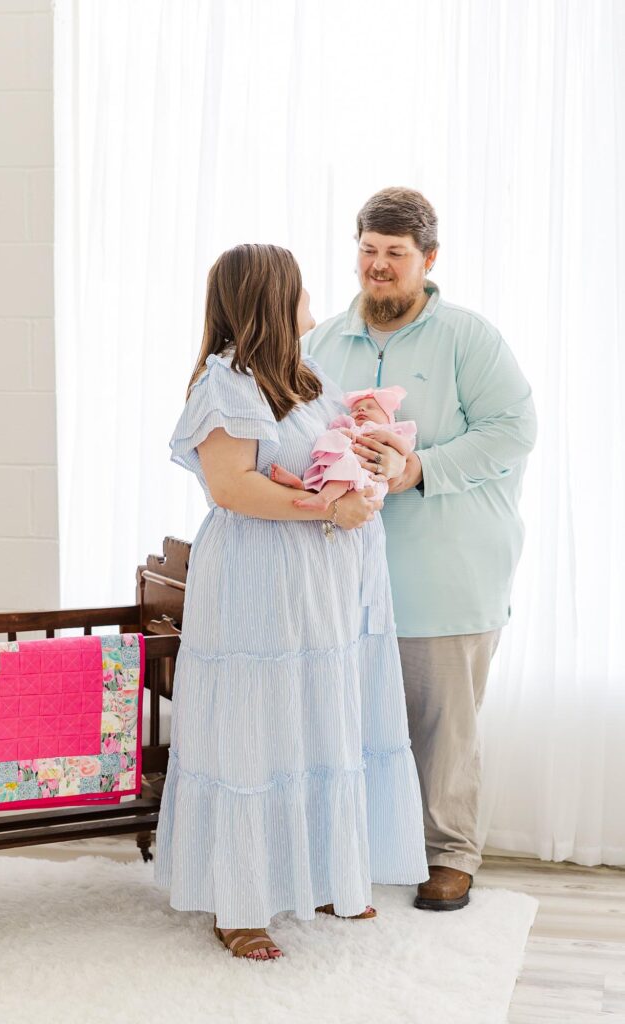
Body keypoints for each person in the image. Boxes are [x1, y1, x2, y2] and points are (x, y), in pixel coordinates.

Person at [154, 243, 428, 959]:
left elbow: (334, 453)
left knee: (314, 719)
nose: (313, 296)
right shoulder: (225, 386)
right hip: (258, 580)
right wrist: (326, 513)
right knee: (255, 730)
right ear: (271, 299)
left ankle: (325, 875)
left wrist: (372, 438)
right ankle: (238, 904)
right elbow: (232, 488)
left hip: (318, 587)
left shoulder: (303, 377)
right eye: (299, 287)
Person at [304, 188, 537, 911]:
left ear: (427, 261)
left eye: (394, 256)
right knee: (352, 714)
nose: (377, 268)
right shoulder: (322, 342)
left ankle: (448, 855)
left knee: (443, 723)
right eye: (368, 251)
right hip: (346, 573)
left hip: (448, 567)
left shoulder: (467, 337)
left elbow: (510, 431)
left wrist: (417, 468)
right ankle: (362, 845)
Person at [270, 384, 416, 510]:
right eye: (356, 408)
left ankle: (323, 499)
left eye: (370, 407)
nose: (361, 410)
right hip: (345, 469)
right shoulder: (349, 426)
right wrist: (343, 433)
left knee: (347, 468)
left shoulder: (390, 430)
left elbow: (406, 449)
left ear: (388, 419)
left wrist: (389, 437)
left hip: (369, 481)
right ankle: (303, 487)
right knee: (331, 466)